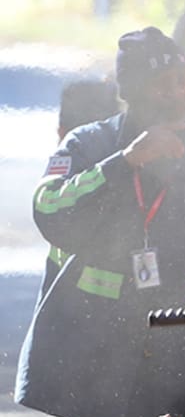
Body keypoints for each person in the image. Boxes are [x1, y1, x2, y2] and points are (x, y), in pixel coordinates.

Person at [15, 27, 185, 417]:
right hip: (99, 368)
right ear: (134, 92)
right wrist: (126, 163)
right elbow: (50, 210)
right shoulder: (90, 145)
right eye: (163, 86)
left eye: (182, 82)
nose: (177, 93)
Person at [34, 78, 122, 302]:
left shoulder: (73, 166)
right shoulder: (132, 167)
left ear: (61, 132)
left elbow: (47, 205)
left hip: (67, 324)